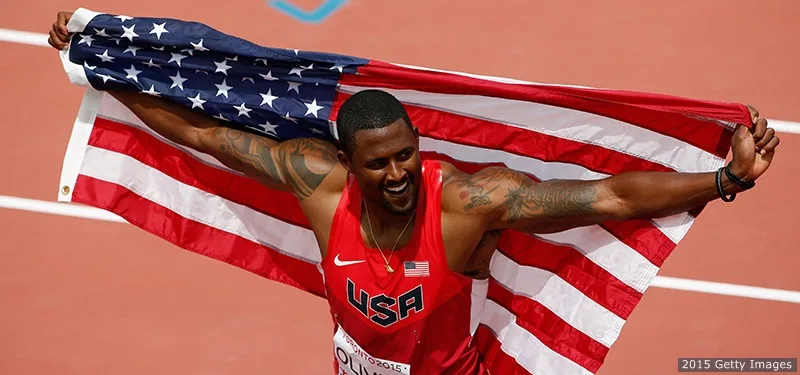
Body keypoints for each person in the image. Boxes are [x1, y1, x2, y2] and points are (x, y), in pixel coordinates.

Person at [48, 12, 780, 375]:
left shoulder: (467, 204)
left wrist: (724, 179)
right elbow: (205, 134)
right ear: (348, 163)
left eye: (406, 157)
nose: (397, 175)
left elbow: (606, 199)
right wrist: (104, 70)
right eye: (380, 165)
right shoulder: (317, 184)